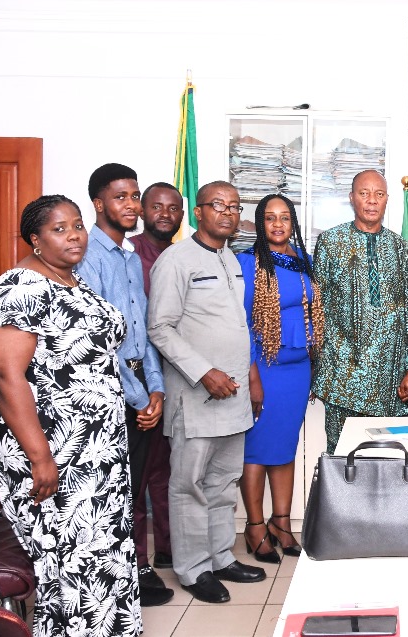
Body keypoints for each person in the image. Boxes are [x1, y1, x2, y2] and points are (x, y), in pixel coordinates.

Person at [0, 195, 142, 636]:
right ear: (35, 239)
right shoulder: (20, 286)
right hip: (55, 450)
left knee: (100, 552)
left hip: (95, 451)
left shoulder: (72, 281)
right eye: (59, 228)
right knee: (70, 560)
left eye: (77, 225)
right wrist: (40, 457)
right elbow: (4, 374)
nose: (74, 234)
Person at [148, 180, 266, 604]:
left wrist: (248, 376)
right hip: (198, 395)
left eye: (235, 206)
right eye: (219, 205)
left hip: (233, 394)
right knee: (190, 485)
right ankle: (193, 569)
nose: (229, 213)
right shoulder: (175, 260)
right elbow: (159, 327)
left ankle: (220, 558)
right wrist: (204, 372)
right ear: (198, 212)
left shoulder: (231, 258)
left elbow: (235, 326)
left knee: (223, 481)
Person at [76, 163, 174, 606]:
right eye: (121, 197)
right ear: (98, 204)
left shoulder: (132, 257)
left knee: (133, 487)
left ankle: (135, 569)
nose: (131, 205)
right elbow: (99, 341)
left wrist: (156, 389)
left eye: (134, 195)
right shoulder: (87, 258)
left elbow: (144, 331)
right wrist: (139, 397)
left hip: (138, 387)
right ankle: (121, 575)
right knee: (114, 491)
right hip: (106, 390)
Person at [237, 194, 322, 563]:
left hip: (298, 368)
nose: (277, 224)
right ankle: (255, 526)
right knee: (256, 449)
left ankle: (281, 523)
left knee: (285, 446)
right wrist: (252, 373)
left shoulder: (303, 261)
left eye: (284, 217)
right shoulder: (248, 263)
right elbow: (241, 325)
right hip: (265, 368)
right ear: (260, 223)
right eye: (269, 218)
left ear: (293, 223)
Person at [312, 170, 408, 453]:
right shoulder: (330, 242)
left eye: (379, 194)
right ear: (351, 198)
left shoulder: (399, 247)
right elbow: (316, 308)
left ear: (386, 201)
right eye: (364, 193)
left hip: (390, 379)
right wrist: (317, 366)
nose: (372, 201)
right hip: (342, 376)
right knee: (342, 460)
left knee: (387, 460)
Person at [128, 181, 183, 574]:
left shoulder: (182, 255)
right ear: (143, 211)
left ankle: (168, 548)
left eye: (173, 208)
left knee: (168, 471)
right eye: (157, 207)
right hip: (141, 381)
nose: (165, 214)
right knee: (137, 478)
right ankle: (138, 563)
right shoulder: (130, 255)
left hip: (179, 378)